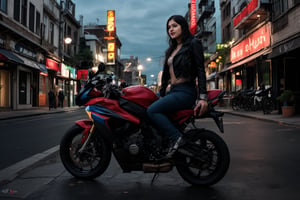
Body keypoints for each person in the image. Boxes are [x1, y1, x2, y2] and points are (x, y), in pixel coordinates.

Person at [147, 15, 208, 158]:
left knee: (152, 111)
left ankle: (177, 139)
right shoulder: (171, 50)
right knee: (144, 106)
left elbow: (200, 70)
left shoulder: (193, 43)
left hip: (185, 91)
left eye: (174, 26)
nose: (171, 29)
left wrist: (203, 97)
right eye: (168, 27)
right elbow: (166, 77)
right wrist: (161, 93)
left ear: (183, 26)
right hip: (173, 91)